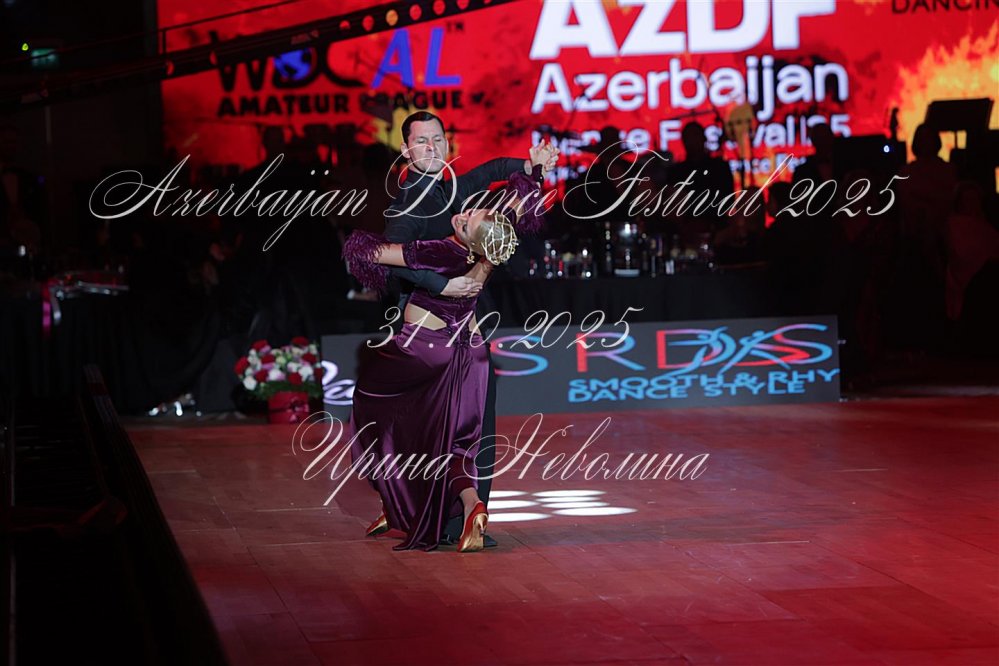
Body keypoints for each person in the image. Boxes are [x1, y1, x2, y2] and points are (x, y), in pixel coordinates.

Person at [370, 111, 556, 547]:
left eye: (438, 139)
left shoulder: (448, 189)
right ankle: (433, 512)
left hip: (458, 330)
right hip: (436, 334)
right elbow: (389, 255)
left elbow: (490, 172)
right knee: (448, 430)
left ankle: (435, 513)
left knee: (448, 430)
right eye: (422, 141)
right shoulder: (409, 203)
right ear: (405, 150)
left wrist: (528, 166)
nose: (432, 147)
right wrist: (441, 284)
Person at [343, 180, 539, 551]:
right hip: (471, 355)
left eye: (467, 222)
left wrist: (429, 278)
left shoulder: (440, 250)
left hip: (424, 351)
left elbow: (366, 251)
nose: (462, 216)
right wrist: (535, 173)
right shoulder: (492, 248)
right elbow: (513, 213)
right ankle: (471, 505)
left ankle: (395, 500)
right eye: (471, 211)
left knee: (373, 410)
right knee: (451, 443)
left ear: (469, 237)